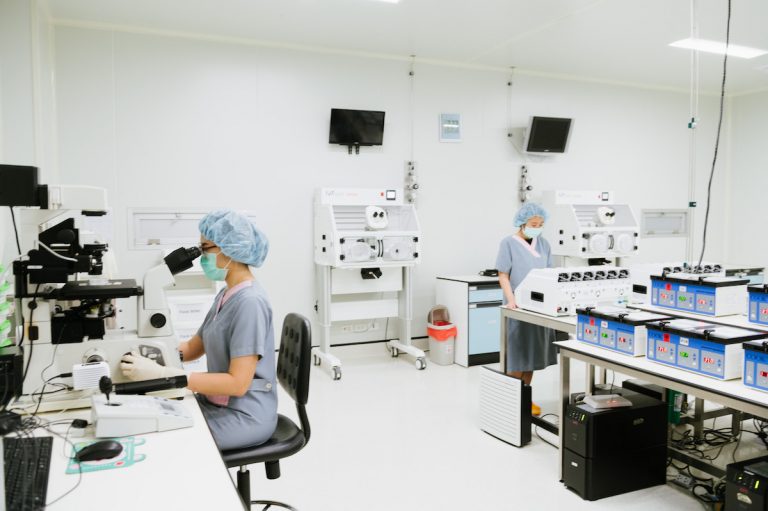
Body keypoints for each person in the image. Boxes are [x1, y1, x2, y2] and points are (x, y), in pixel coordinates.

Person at [120, 209, 277, 450]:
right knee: (154, 417)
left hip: (245, 414)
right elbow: (194, 347)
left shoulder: (250, 303)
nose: (201, 256)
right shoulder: (227, 294)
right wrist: (150, 356)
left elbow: (238, 384)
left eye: (205, 248)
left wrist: (164, 375)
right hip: (216, 402)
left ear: (230, 250)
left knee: (170, 442)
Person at [495, 202, 558, 417]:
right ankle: (509, 402)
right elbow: (503, 274)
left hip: (539, 309)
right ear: (523, 223)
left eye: (540, 224)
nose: (537, 226)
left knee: (532, 356)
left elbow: (550, 275)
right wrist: (511, 300)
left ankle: (525, 399)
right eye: (533, 223)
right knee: (517, 355)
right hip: (517, 307)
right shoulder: (508, 244)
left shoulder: (544, 244)